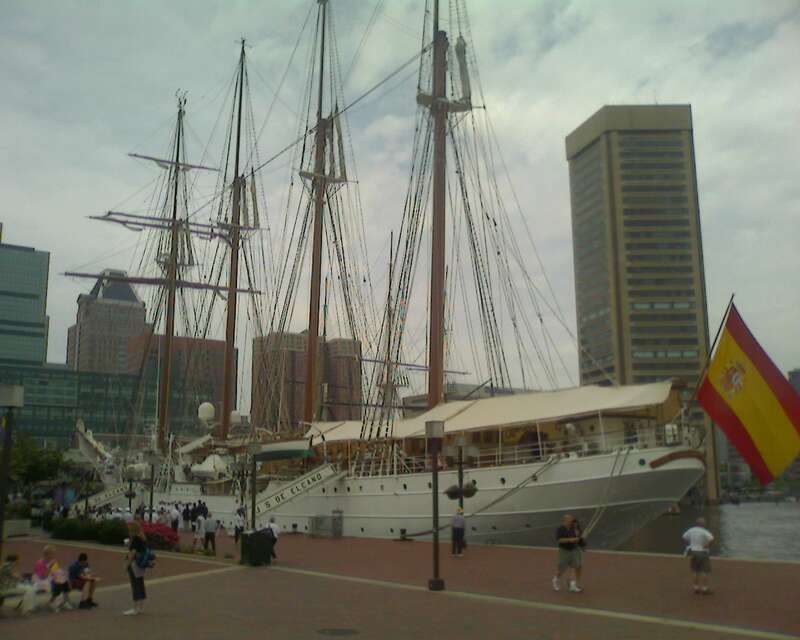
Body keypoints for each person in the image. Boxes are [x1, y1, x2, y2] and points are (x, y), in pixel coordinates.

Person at [552, 514, 584, 593]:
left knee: (574, 566)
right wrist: (570, 540)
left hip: (574, 550)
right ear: (565, 521)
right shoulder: (560, 529)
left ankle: (572, 585)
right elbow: (559, 540)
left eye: (572, 521)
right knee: (562, 569)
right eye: (570, 521)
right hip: (564, 551)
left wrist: (579, 538)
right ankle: (555, 579)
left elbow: (579, 537)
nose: (571, 522)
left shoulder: (574, 528)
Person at [34, 545, 72, 611]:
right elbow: (43, 576)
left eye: (53, 553)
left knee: (65, 582)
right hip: (42, 581)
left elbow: (56, 572)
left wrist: (63, 574)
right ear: (47, 554)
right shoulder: (40, 563)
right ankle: (51, 603)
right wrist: (49, 566)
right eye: (52, 553)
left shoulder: (53, 562)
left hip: (53, 579)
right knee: (58, 583)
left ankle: (65, 601)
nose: (53, 555)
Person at [683, 517, 714, 594]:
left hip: (693, 551)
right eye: (704, 523)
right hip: (702, 552)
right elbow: (712, 539)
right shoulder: (704, 531)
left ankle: (695, 588)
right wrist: (707, 545)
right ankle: (705, 589)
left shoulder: (691, 530)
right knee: (705, 571)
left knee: (695, 571)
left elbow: (684, 537)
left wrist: (688, 544)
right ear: (702, 524)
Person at [124, 520, 148, 615]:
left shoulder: (135, 539)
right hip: (141, 564)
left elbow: (132, 553)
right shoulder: (142, 538)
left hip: (134, 564)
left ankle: (135, 608)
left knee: (135, 585)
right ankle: (140, 607)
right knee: (140, 584)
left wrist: (127, 565)